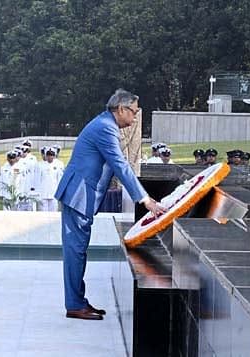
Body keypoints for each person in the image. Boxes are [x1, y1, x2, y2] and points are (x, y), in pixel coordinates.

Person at [54, 89, 166, 320]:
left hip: (81, 195)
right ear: (121, 109)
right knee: (76, 252)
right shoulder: (106, 128)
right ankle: (74, 305)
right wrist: (145, 199)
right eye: (133, 112)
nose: (135, 118)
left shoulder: (104, 124)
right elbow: (120, 165)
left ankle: (78, 301)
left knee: (78, 251)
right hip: (79, 196)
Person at [35, 147, 63, 211]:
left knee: (53, 213)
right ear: (46, 156)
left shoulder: (58, 165)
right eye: (48, 155)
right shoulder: (40, 165)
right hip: (42, 192)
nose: (50, 157)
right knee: (43, 213)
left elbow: (59, 180)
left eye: (52, 155)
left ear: (54, 156)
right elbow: (37, 179)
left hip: (53, 192)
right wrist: (37, 192)